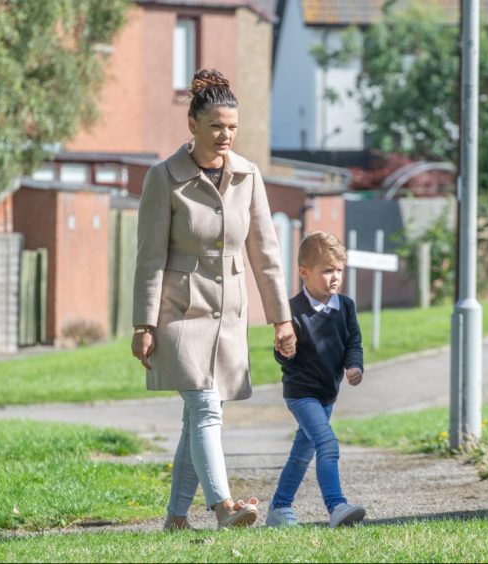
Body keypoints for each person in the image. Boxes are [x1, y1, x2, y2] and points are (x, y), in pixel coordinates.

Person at [131, 69, 296, 530]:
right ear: (193, 125)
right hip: (179, 313)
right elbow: (148, 257)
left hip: (229, 315)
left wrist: (281, 319)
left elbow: (265, 253)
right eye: (216, 126)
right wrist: (143, 325)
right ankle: (223, 507)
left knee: (199, 414)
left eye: (232, 127)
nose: (226, 136)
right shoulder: (164, 178)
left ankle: (176, 518)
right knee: (204, 405)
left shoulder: (248, 176)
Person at [266, 231, 366, 528]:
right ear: (304, 272)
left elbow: (353, 343)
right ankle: (336, 506)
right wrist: (285, 350)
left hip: (326, 394)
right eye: (327, 271)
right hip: (301, 393)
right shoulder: (292, 311)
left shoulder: (345, 307)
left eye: (339, 270)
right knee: (327, 444)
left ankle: (279, 508)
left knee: (302, 453)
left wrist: (354, 366)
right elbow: (284, 356)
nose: (334, 277)